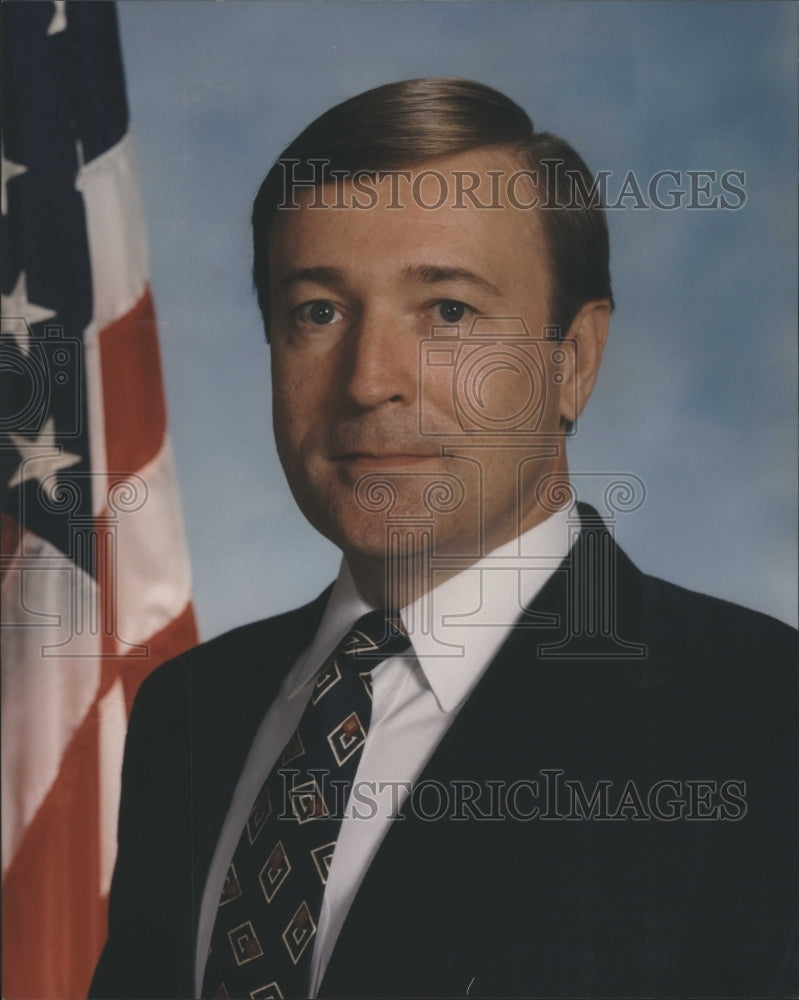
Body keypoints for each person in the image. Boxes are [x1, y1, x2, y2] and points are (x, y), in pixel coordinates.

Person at [90, 78, 797, 1000]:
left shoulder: (756, 718)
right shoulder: (191, 711)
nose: (369, 380)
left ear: (571, 361)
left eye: (449, 312)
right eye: (318, 311)